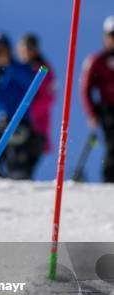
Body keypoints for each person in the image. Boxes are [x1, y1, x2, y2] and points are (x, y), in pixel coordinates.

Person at [0, 32, 41, 179]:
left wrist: (8, 64)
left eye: (2, 48)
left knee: (18, 165)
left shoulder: (20, 67)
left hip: (19, 121)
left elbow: (30, 83)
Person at [80, 16, 114, 182]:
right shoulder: (97, 61)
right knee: (112, 144)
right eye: (111, 35)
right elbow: (86, 88)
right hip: (107, 110)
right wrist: (91, 113)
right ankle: (109, 181)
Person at [16, 33, 57, 155]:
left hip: (35, 128)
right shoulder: (16, 68)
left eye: (29, 48)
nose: (25, 52)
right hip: (16, 125)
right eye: (22, 48)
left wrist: (27, 113)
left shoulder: (43, 70)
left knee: (22, 166)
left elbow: (48, 98)